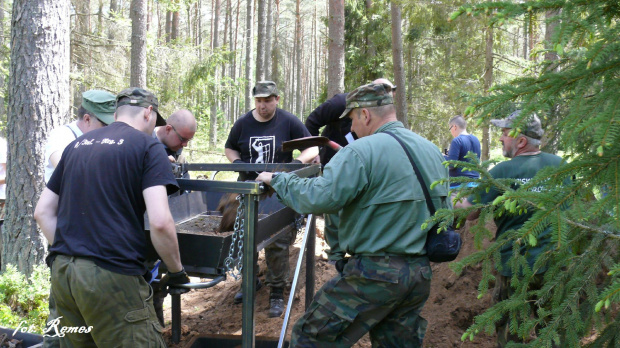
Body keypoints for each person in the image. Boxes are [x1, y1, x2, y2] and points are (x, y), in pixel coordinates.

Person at [257, 82, 450, 347]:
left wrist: (277, 180)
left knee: (311, 335)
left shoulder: (360, 151)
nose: (351, 128)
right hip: (419, 276)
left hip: (375, 274)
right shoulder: (432, 151)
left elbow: (319, 197)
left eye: (351, 120)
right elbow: (445, 213)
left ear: (365, 114)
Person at [34, 87, 190, 347]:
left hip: (64, 275)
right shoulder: (147, 146)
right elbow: (160, 222)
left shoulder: (77, 146)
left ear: (117, 113)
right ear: (148, 113)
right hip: (111, 276)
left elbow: (42, 212)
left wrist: (73, 252)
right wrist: (176, 271)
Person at [455, 110, 562, 347]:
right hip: (555, 265)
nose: (501, 139)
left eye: (504, 134)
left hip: (514, 267)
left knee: (510, 333)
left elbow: (470, 211)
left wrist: (451, 199)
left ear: (521, 141)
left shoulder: (503, 171)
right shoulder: (560, 166)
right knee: (555, 332)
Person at [224, 80, 318, 317]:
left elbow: (313, 147)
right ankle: (250, 281)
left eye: (267, 100)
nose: (263, 105)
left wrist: (296, 164)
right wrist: (237, 162)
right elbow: (230, 147)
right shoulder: (243, 123)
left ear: (276, 99)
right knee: (246, 237)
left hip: (277, 191)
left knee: (277, 240)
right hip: (247, 188)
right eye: (259, 101)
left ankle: (276, 291)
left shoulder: (288, 121)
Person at [304, 78, 396, 264]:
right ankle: (336, 254)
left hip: (365, 164)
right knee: (334, 206)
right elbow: (311, 122)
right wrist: (314, 152)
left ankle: (360, 251)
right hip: (335, 160)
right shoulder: (340, 103)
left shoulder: (384, 113)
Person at [44, 90, 116, 183]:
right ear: (87, 119)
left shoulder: (105, 139)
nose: (109, 129)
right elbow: (64, 169)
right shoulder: (62, 136)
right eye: (105, 124)